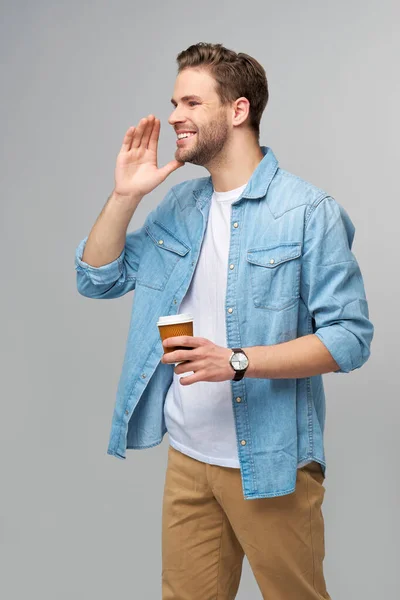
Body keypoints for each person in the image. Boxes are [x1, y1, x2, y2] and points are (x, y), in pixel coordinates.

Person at [75, 42, 374, 599]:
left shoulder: (309, 212)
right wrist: (124, 196)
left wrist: (237, 361)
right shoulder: (180, 208)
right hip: (189, 459)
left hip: (270, 461)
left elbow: (350, 339)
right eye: (172, 102)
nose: (172, 116)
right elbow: (98, 278)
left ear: (238, 111)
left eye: (190, 102)